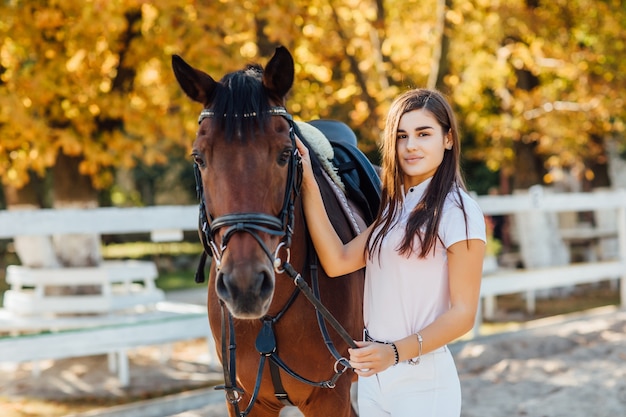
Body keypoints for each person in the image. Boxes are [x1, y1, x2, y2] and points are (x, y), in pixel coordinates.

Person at [296, 88, 486, 417]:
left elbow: (463, 315)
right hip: (374, 377)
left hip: (422, 378)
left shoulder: (460, 211)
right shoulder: (394, 209)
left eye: (423, 134)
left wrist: (394, 353)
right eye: (401, 136)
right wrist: (310, 183)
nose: (411, 145)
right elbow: (337, 261)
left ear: (448, 139)